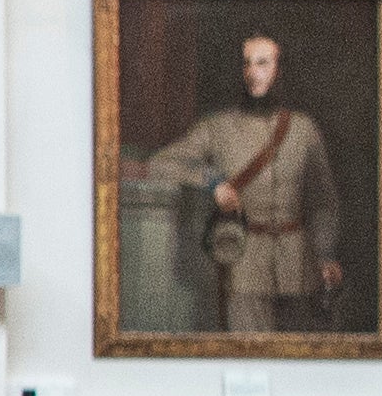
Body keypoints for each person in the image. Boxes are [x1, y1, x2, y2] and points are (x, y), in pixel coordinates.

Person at [137, 29, 341, 336]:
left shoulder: (303, 129)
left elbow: (323, 200)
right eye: (246, 64)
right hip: (243, 264)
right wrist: (212, 182)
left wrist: (324, 253)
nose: (253, 73)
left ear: (279, 70)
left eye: (262, 63)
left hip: (300, 267)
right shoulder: (217, 127)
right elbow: (161, 164)